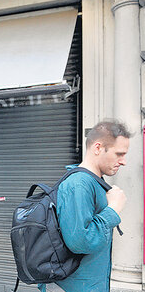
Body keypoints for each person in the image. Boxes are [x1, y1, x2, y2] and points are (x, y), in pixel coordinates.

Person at [40, 120, 129, 292]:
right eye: (119, 154)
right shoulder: (79, 184)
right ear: (97, 148)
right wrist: (113, 209)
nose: (124, 161)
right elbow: (80, 242)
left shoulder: (93, 182)